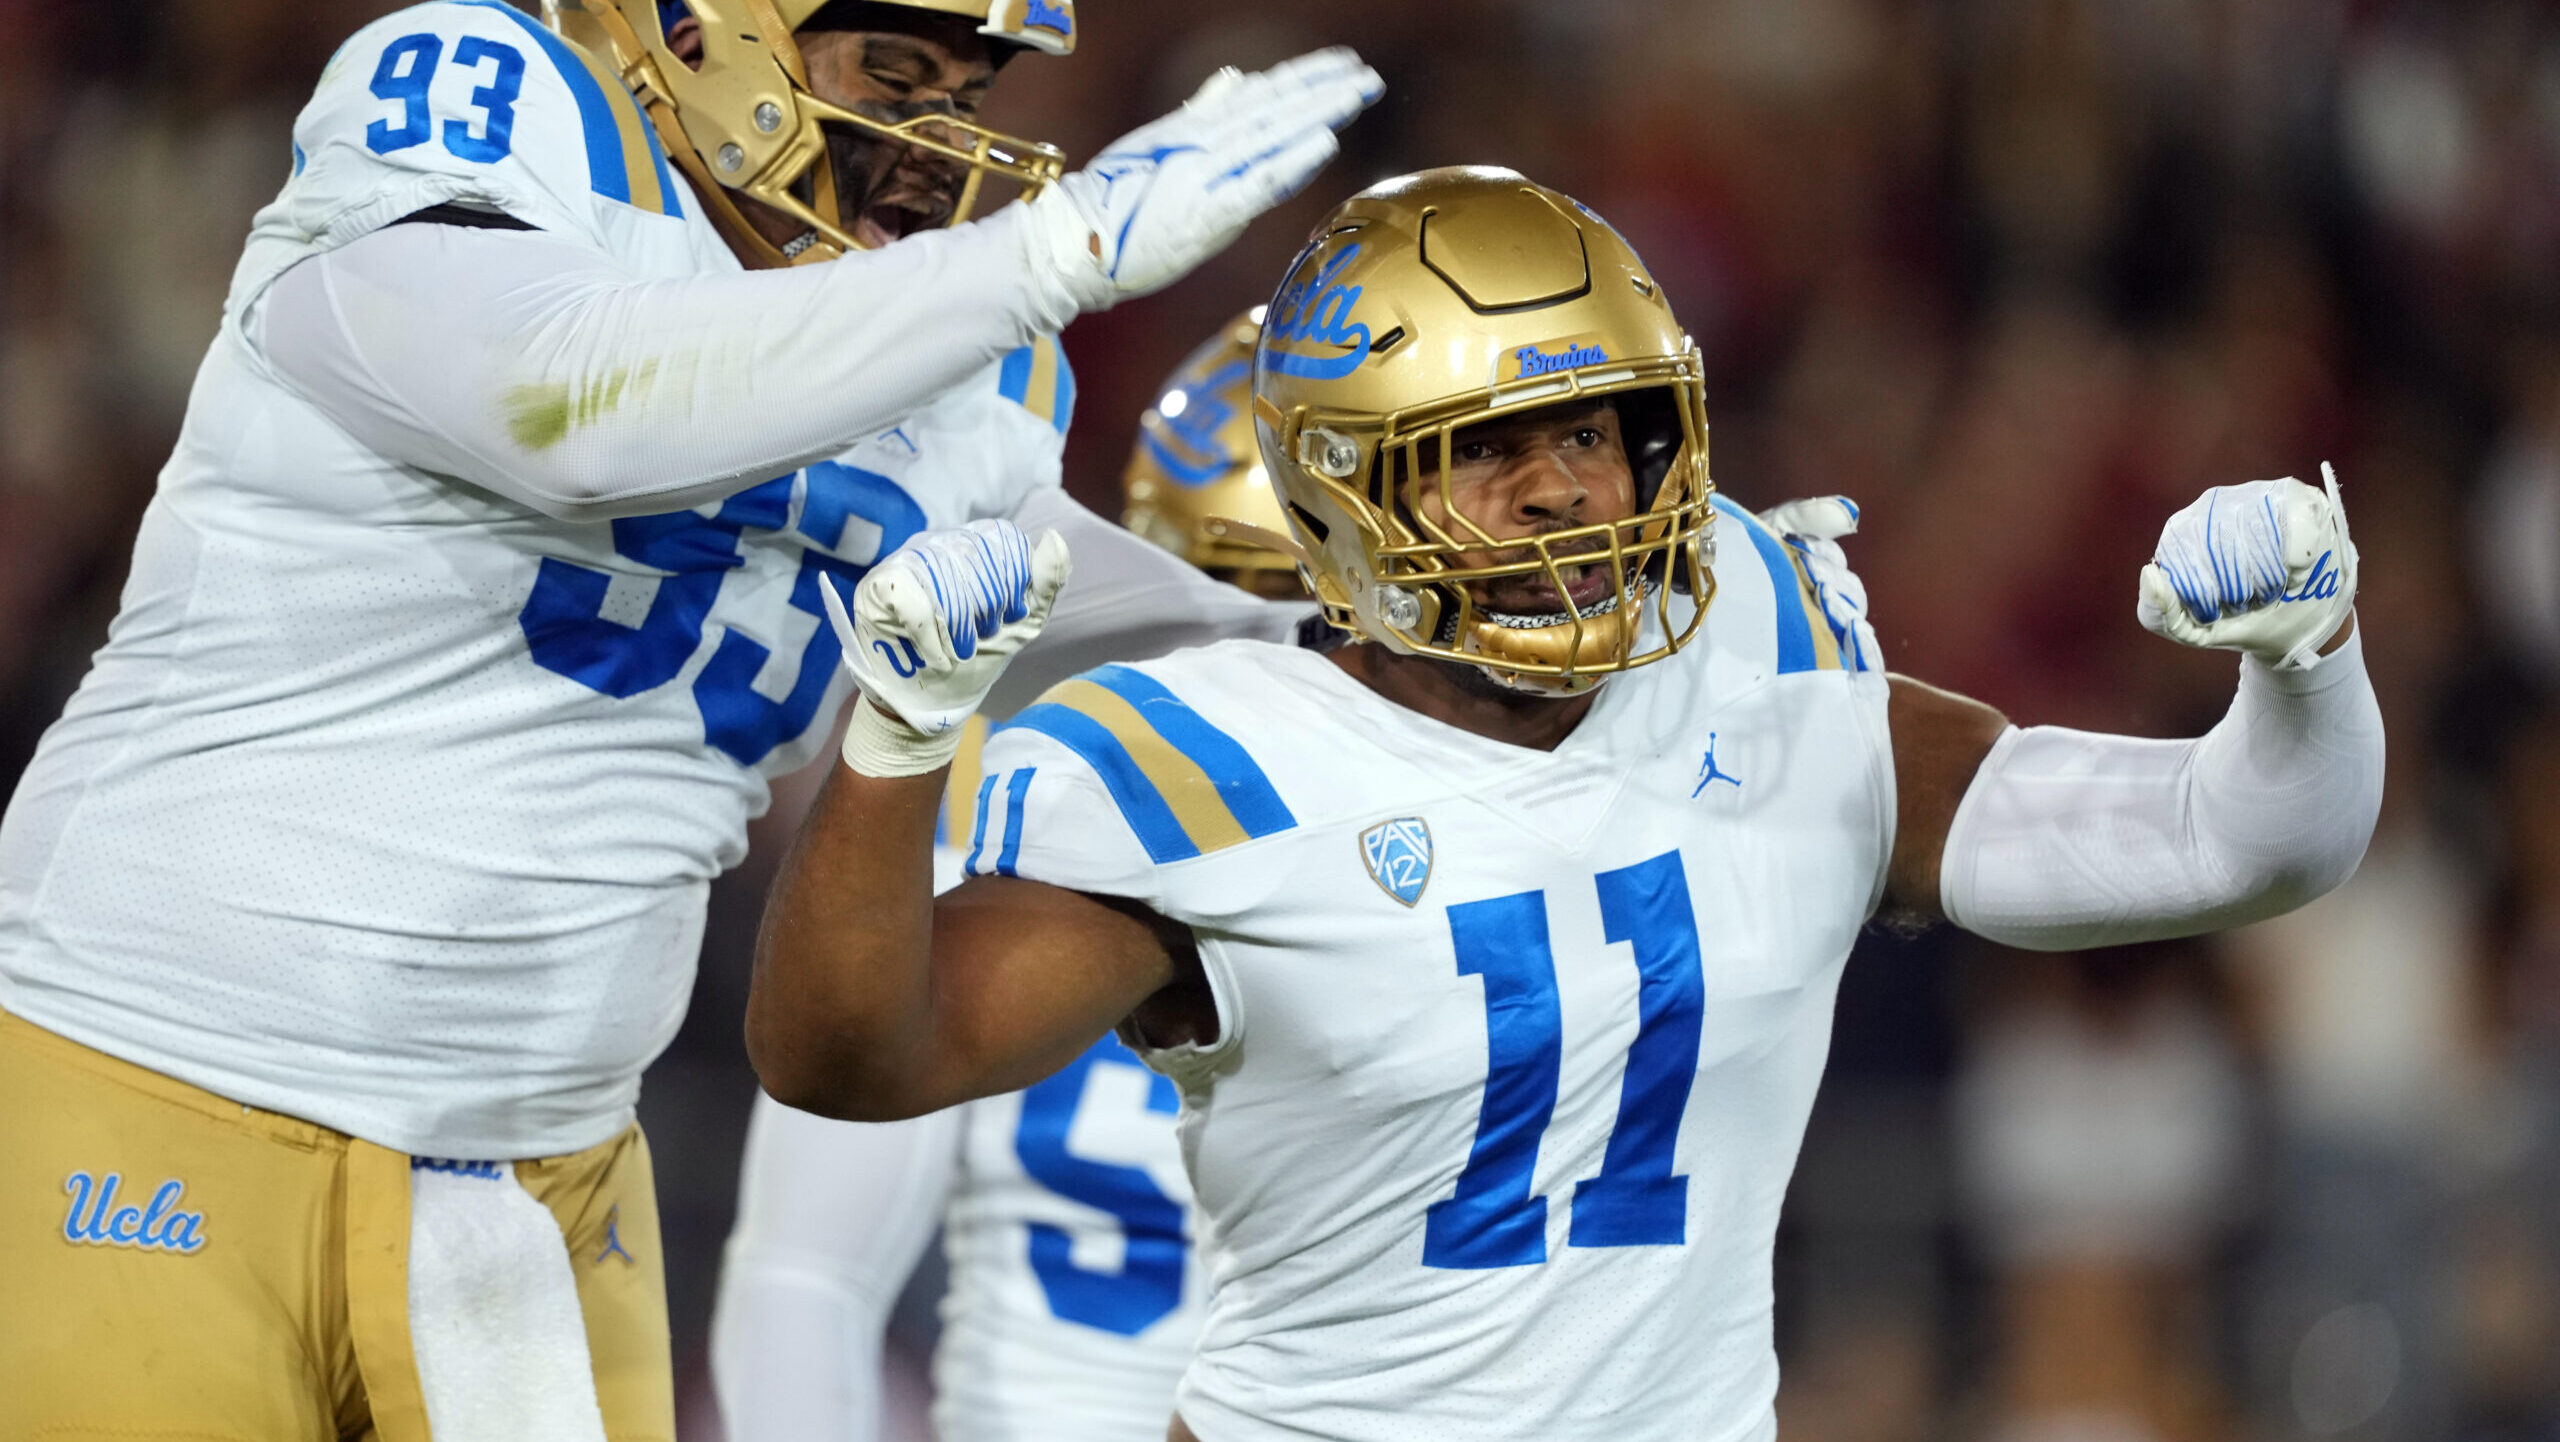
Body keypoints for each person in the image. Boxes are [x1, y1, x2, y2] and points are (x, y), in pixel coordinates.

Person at [747, 166, 2388, 1442]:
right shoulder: (1206, 759)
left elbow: (2243, 840)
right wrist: (898, 742)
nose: (1564, 489)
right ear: (1341, 502)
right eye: (1489, 448)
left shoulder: (1787, 696)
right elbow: (852, 1054)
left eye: (1598, 432)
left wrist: (2307, 661)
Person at [0, 0, 1378, 1435]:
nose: (935, 145)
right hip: (155, 1077)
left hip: (547, 1171)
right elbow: (566, 401)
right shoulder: (496, 100)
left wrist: (1342, 643)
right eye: (892, 73)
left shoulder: (958, 339)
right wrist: (1047, 253)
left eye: (962, 90)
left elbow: (1037, 581)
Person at [712, 312, 1284, 1442]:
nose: (1269, 650)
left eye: (1315, 625)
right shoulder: (999, 822)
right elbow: (805, 1273)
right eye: (1237, 596)